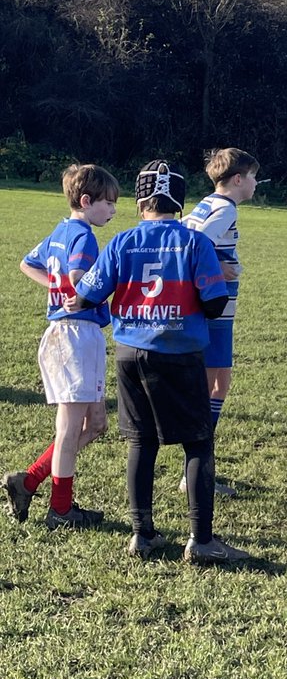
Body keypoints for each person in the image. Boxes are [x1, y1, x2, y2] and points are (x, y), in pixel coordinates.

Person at [69, 160, 249, 563]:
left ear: (140, 201)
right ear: (180, 202)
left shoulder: (122, 241)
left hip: (131, 353)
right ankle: (201, 541)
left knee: (141, 441)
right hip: (180, 351)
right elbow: (216, 304)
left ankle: (143, 534)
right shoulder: (194, 243)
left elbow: (87, 295)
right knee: (198, 441)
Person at [2, 164, 119, 529]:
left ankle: (30, 480)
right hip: (74, 336)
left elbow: (27, 263)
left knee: (96, 424)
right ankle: (61, 510)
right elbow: (77, 277)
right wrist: (84, 294)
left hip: (70, 335)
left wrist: (61, 293)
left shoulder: (60, 231)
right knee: (69, 430)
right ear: (86, 201)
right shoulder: (83, 235)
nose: (113, 210)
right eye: (108, 203)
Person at [182, 147, 260, 497]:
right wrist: (216, 263)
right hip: (216, 311)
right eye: (253, 177)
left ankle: (198, 467)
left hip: (205, 308)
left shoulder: (205, 202)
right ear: (239, 179)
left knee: (213, 383)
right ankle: (196, 471)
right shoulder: (225, 208)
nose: (256, 184)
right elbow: (195, 242)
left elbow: (184, 233)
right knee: (217, 386)